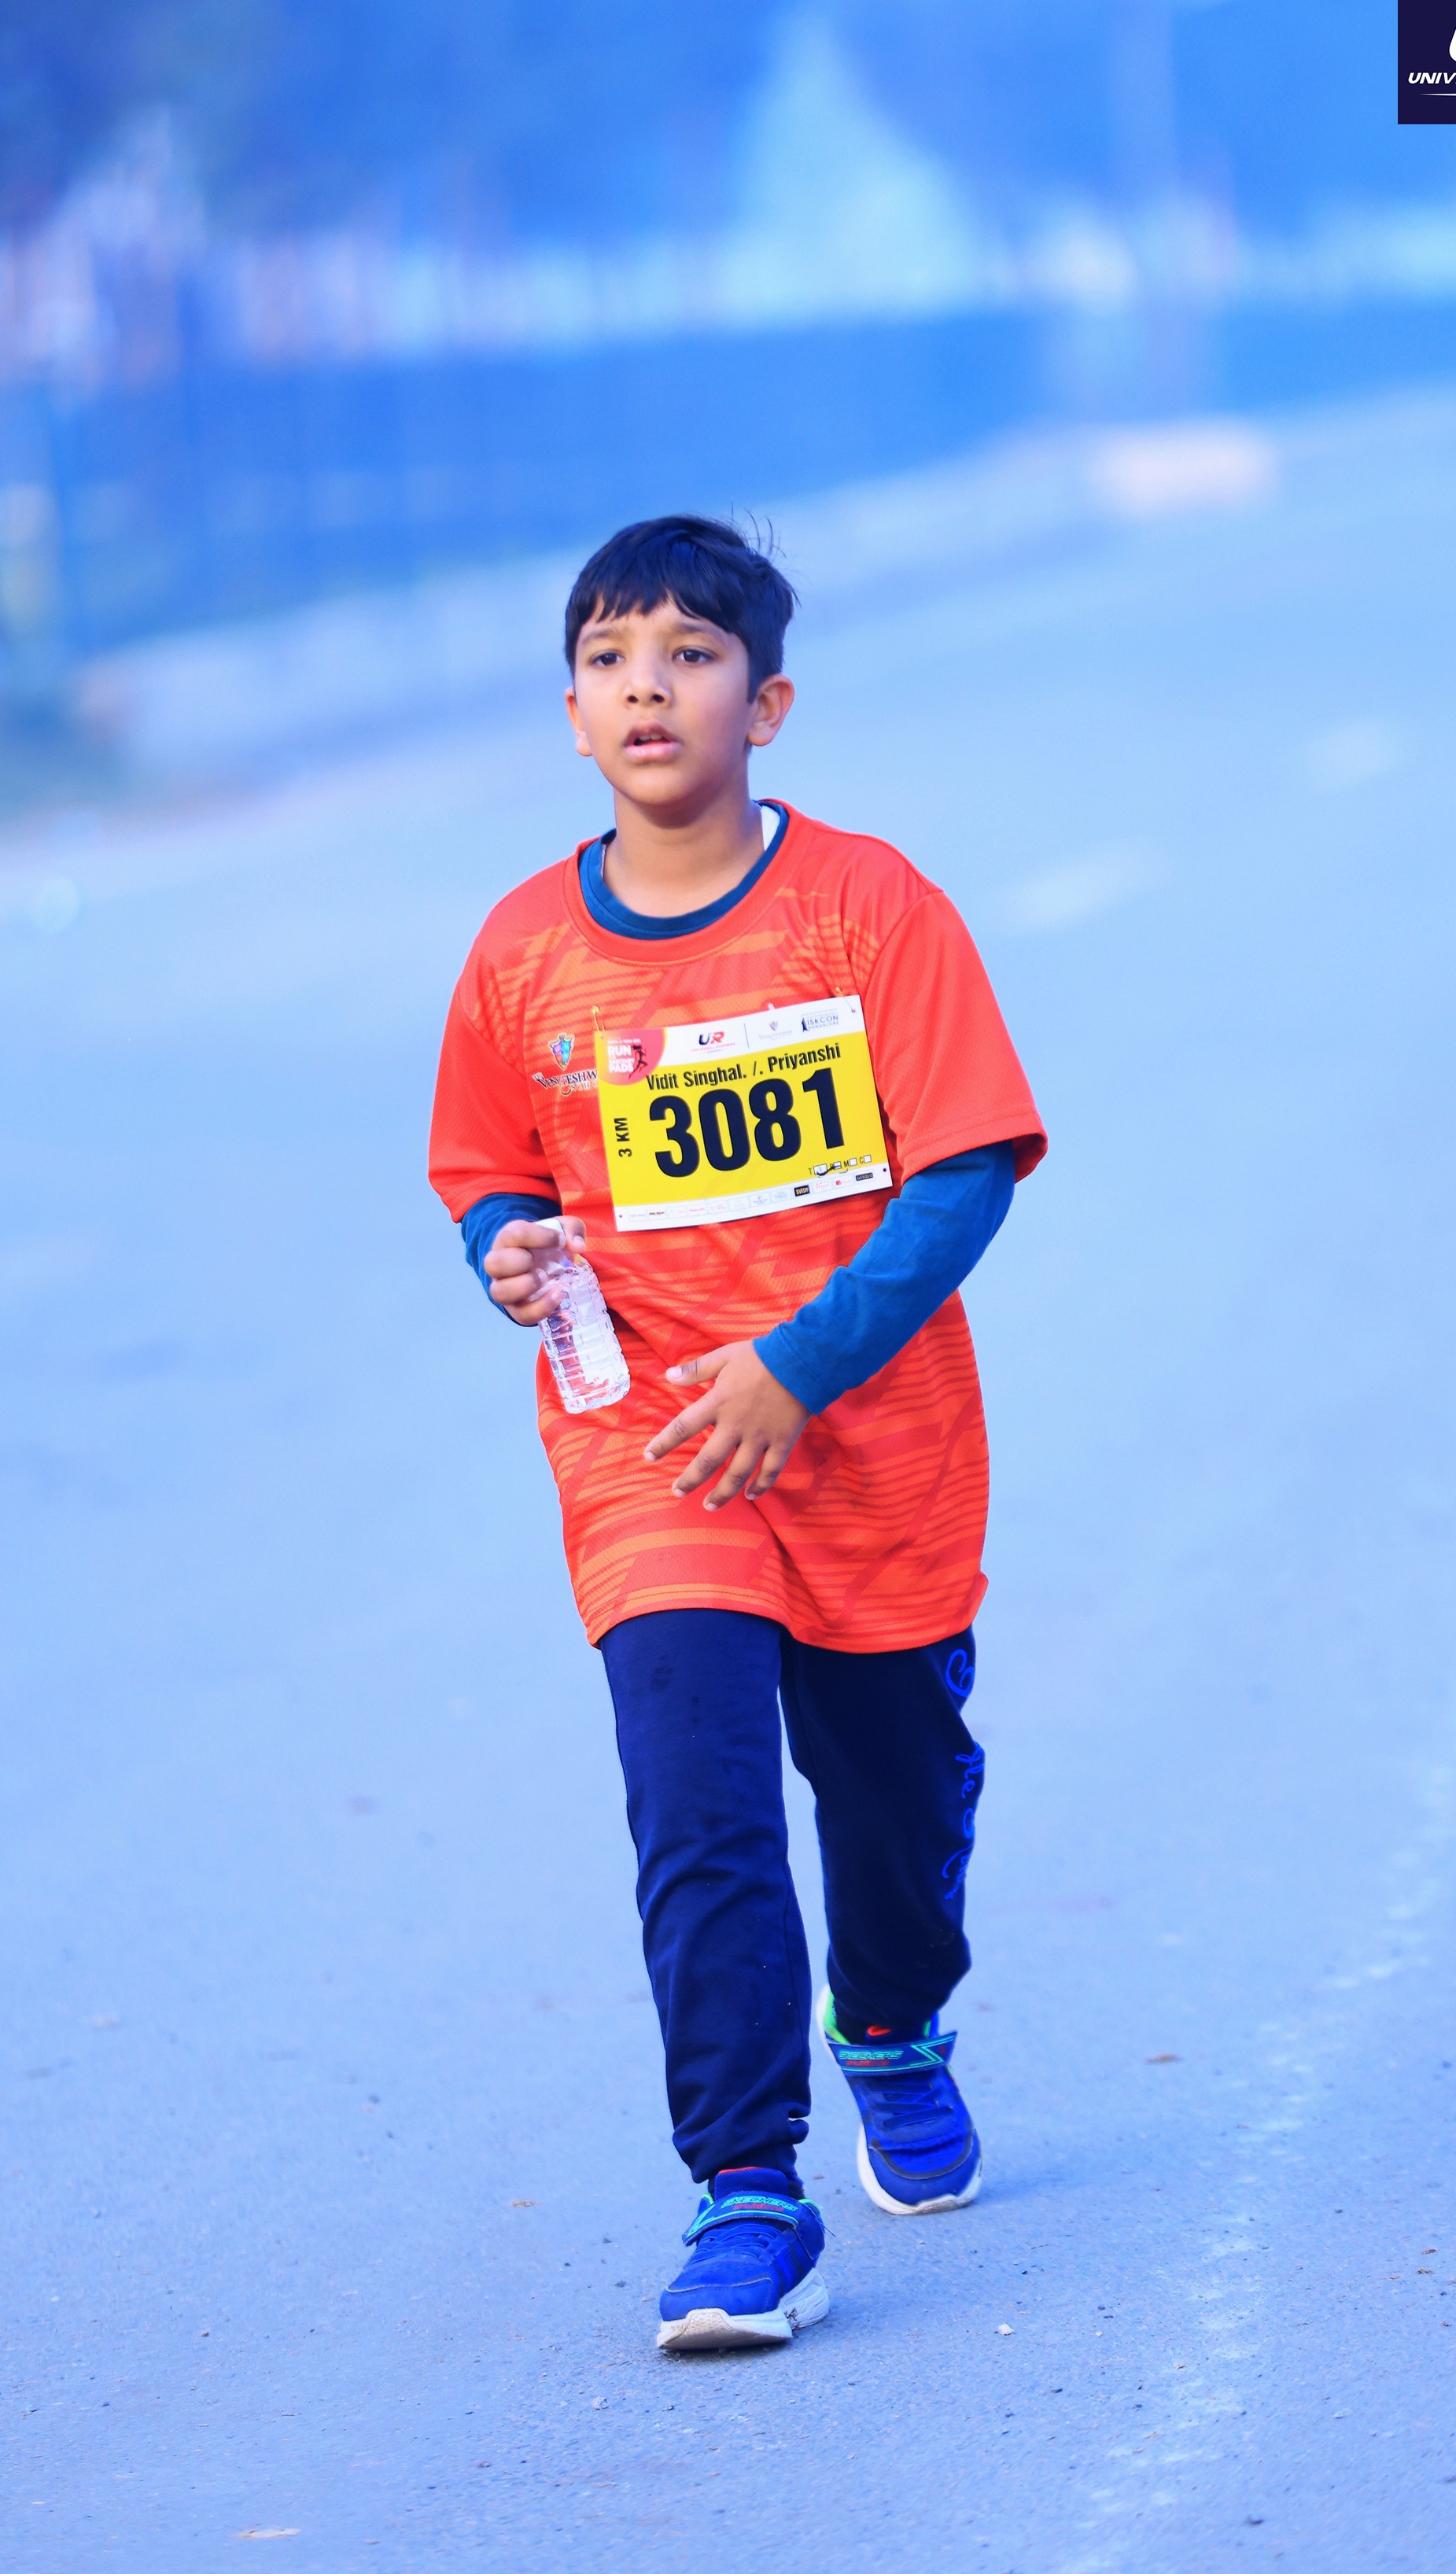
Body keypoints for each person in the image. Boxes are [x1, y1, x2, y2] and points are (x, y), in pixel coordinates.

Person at [429, 514, 1045, 2353]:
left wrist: (799, 1363)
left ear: (764, 704)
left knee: (893, 1803)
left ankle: (893, 2025)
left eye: (691, 655)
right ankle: (747, 2193)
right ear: (569, 712)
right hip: (652, 1449)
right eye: (610, 658)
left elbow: (960, 1175)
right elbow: (486, 1168)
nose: (648, 686)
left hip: (871, 1446)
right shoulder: (522, 950)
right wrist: (503, 1248)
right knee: (696, 1810)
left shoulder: (867, 909)